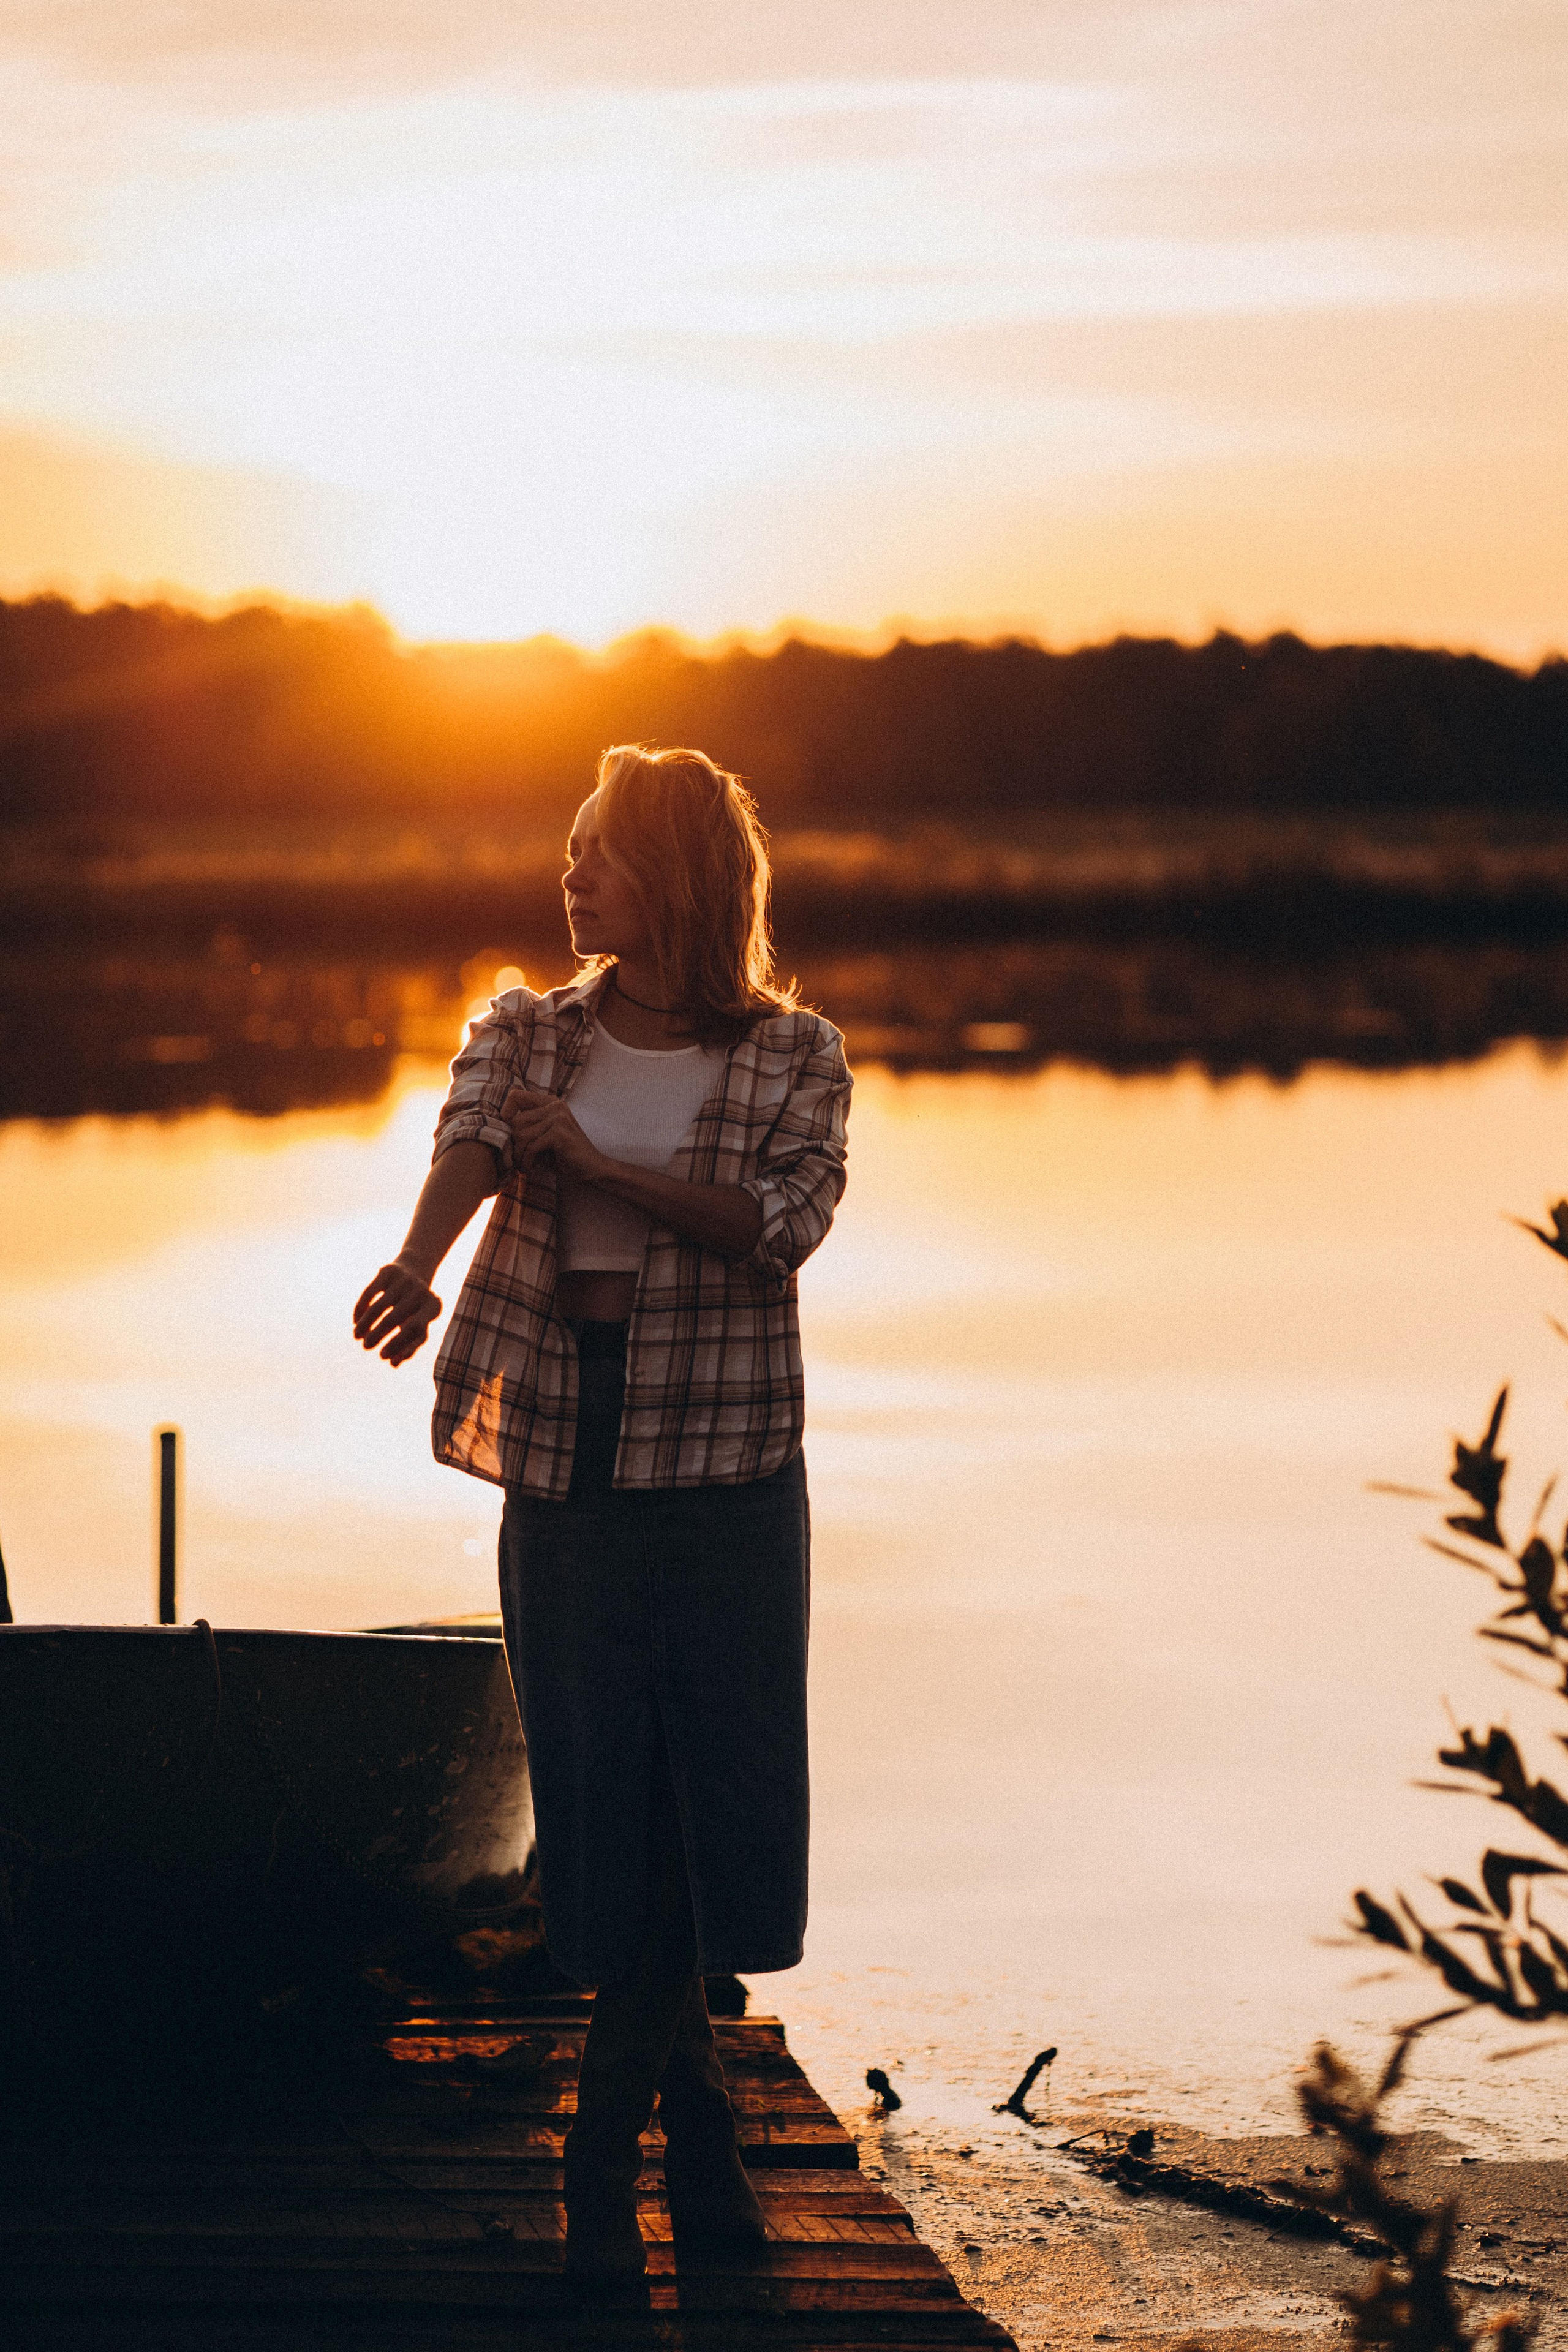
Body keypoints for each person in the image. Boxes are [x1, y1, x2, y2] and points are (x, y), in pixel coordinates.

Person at [352, 743, 851, 2287]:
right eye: (570, 849)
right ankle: (695, 2119)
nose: (571, 875)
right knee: (600, 1789)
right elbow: (473, 1140)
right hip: (566, 1442)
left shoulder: (794, 1056)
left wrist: (600, 1167)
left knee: (714, 1794)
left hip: (726, 1463)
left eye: (600, 853)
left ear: (677, 877)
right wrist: (419, 1262)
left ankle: (598, 2148)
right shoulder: (527, 1029)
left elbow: (778, 1228)